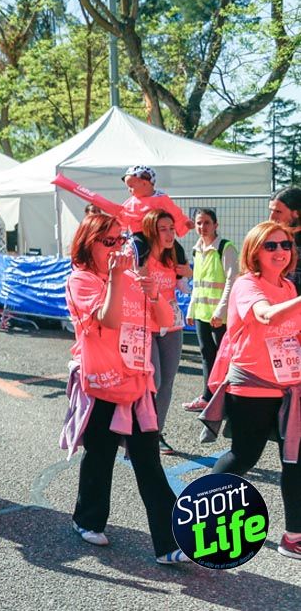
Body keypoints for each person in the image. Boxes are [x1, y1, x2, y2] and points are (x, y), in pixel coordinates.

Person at [61, 213, 188, 564]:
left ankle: (170, 543)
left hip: (136, 383)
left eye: (121, 240)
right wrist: (118, 277)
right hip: (102, 382)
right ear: (89, 244)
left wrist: (154, 294)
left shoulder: (131, 277)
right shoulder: (81, 280)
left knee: (148, 461)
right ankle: (87, 519)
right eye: (109, 241)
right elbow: (109, 319)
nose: (118, 247)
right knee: (100, 455)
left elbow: (166, 321)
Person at [206, 221, 301, 560]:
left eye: (285, 245)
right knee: (244, 456)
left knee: (296, 460)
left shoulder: (288, 286)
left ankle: (293, 536)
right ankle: (201, 513)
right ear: (254, 251)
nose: (280, 251)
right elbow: (266, 317)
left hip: (288, 387)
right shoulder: (247, 285)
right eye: (270, 246)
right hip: (252, 387)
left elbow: (292, 333)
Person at [140, 209, 190, 450]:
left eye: (172, 228)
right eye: (163, 229)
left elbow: (185, 286)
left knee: (167, 383)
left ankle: (155, 434)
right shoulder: (141, 256)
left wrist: (189, 273)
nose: (170, 234)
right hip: (146, 325)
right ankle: (140, 431)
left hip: (172, 324)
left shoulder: (174, 255)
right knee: (154, 381)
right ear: (152, 231)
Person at [182, 209, 238, 412]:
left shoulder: (225, 248)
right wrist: (191, 309)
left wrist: (221, 311)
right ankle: (208, 398)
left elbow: (232, 280)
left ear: (216, 225)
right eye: (199, 223)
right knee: (207, 355)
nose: (202, 227)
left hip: (219, 316)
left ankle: (229, 400)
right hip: (201, 313)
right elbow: (197, 283)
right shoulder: (197, 249)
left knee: (225, 358)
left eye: (206, 222)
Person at [269, 186, 301, 292]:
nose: (271, 218)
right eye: (271, 211)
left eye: (278, 212)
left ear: (296, 213)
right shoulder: (270, 238)